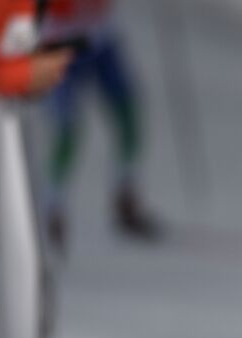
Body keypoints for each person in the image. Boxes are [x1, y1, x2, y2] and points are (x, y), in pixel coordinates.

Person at [38, 0, 160, 250]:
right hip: (60, 41)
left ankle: (126, 195)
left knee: (127, 112)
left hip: (101, 37)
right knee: (67, 129)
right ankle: (51, 209)